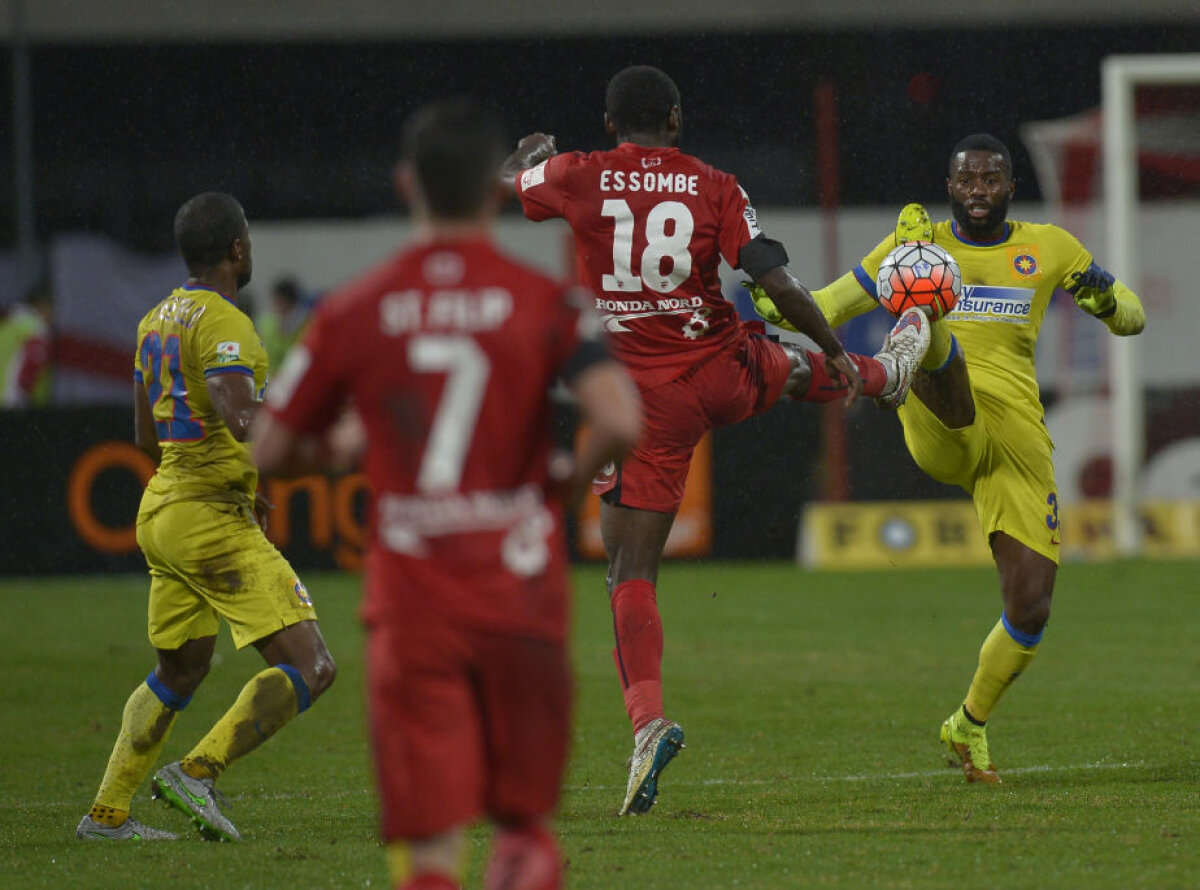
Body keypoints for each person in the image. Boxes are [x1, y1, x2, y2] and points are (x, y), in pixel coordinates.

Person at [500, 64, 932, 817]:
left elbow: (511, 183)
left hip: (645, 402)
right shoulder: (715, 185)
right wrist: (837, 347)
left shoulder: (576, 174)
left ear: (609, 124)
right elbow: (778, 281)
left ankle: (648, 724)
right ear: (675, 119)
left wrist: (527, 154)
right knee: (786, 366)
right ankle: (882, 374)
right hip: (721, 367)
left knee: (630, 571)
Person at [252, 99, 642, 890]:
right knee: (524, 835)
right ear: (496, 191)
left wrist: (344, 448)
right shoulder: (546, 301)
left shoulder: (355, 310)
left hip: (414, 606)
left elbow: (269, 451)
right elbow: (619, 420)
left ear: (407, 184)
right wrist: (561, 485)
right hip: (519, 596)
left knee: (431, 849)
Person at [750, 133, 1146, 782]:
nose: (978, 191)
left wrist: (1108, 302)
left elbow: (1131, 315)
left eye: (991, 180)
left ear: (1011, 186)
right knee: (925, 289)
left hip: (1014, 434)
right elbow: (824, 307)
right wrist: (771, 295)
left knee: (1031, 606)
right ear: (950, 186)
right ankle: (907, 351)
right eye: (967, 180)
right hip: (940, 416)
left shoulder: (1050, 248)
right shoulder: (913, 249)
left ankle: (968, 724)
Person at [75, 192, 336, 842]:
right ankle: (197, 772)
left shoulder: (154, 320)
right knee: (313, 666)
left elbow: (146, 433)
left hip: (163, 508)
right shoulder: (225, 320)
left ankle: (107, 814)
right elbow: (241, 415)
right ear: (237, 249)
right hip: (208, 518)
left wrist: (230, 474)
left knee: (181, 670)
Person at [0, 281, 53, 408]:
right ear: (44, 306)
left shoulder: (7, 326)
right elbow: (31, 366)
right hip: (13, 405)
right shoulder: (36, 329)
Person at [258, 275, 310, 370]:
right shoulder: (267, 322)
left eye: (280, 301)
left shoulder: (305, 323)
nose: (276, 304)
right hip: (269, 374)